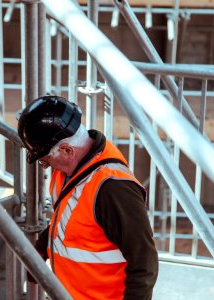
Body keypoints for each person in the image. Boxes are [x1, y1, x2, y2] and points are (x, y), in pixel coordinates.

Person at [18, 95, 158, 300]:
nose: (46, 165)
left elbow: (144, 263)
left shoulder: (113, 189)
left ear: (66, 150)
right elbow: (68, 219)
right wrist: (41, 249)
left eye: (46, 160)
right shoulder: (69, 170)